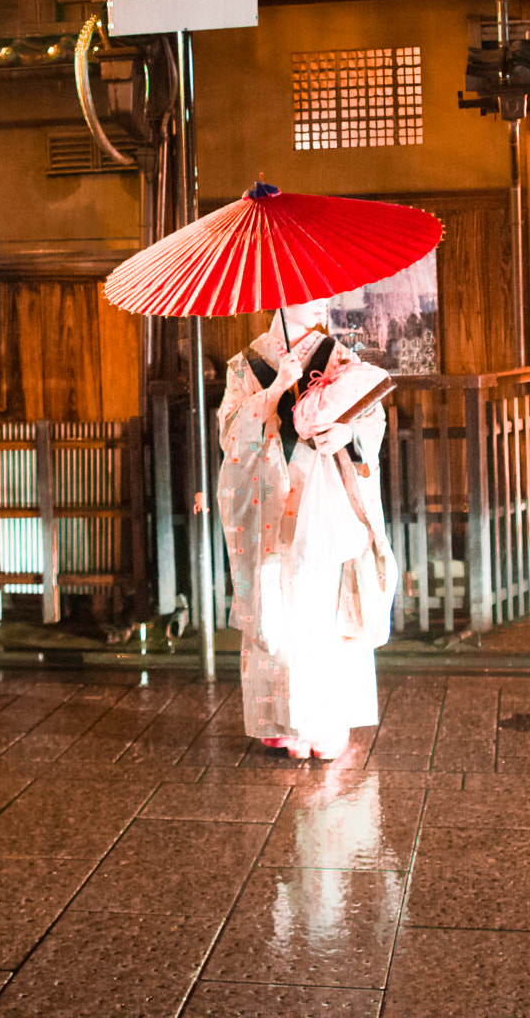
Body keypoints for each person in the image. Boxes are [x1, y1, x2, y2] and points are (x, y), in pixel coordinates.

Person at [216, 295, 396, 760]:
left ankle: (328, 720)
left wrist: (348, 435)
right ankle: (283, 721)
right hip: (269, 501)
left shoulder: (338, 356)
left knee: (323, 604)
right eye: (307, 291)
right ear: (279, 296)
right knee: (280, 604)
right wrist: (275, 390)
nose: (320, 301)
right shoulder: (246, 365)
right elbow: (230, 434)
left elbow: (369, 415)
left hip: (324, 495)